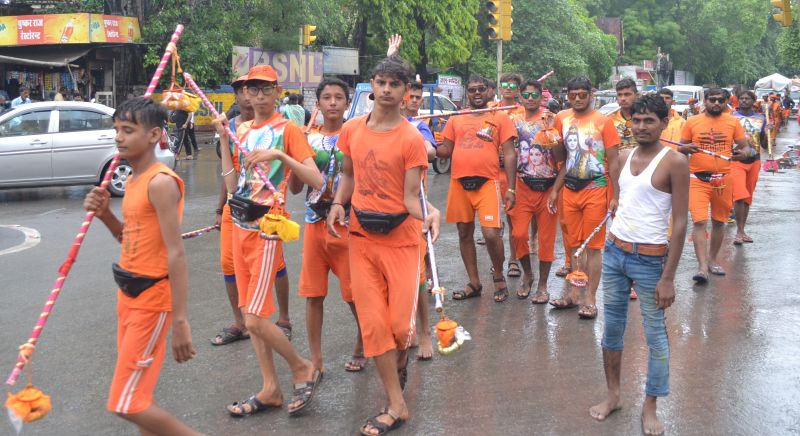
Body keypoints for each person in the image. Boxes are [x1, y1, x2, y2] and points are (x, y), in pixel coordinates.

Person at [326, 56, 440, 435]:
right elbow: (349, 175)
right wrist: (338, 204)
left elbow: (411, 198)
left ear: (406, 91)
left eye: (395, 84)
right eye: (381, 82)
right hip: (361, 239)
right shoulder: (352, 130)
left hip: (402, 241)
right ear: (371, 85)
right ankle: (396, 404)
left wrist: (431, 212)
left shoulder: (411, 139)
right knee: (374, 326)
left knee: (400, 329)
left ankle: (400, 363)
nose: (387, 90)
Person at [212, 64, 323, 417]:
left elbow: (316, 180)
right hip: (239, 226)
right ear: (245, 93)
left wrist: (280, 156)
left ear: (277, 92)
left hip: (266, 231)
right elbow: (233, 186)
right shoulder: (242, 130)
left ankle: (302, 367)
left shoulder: (287, 130)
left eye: (265, 88)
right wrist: (225, 140)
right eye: (252, 89)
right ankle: (270, 388)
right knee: (252, 316)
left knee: (254, 320)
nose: (258, 95)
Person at [83, 97, 198, 435]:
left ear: (154, 135)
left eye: (128, 130)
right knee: (138, 397)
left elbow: (176, 254)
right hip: (128, 297)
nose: (119, 137)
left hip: (152, 302)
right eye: (117, 129)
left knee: (126, 403)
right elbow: (131, 240)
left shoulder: (160, 183)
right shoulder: (133, 180)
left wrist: (180, 320)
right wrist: (104, 214)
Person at [589, 94, 689, 436]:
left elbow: (680, 223)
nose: (641, 126)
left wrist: (668, 277)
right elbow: (621, 199)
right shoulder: (622, 156)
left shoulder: (675, 162)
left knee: (655, 335)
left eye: (649, 121)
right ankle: (614, 395)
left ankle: (650, 405)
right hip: (614, 252)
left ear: (664, 123)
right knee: (612, 329)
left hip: (650, 259)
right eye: (636, 120)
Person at [289, 77, 365, 374]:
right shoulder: (306, 139)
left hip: (348, 223)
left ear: (347, 103)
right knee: (313, 294)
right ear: (317, 104)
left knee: (354, 294)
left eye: (338, 97)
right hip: (314, 223)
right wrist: (294, 158)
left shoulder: (357, 135)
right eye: (326, 98)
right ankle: (316, 359)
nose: (332, 103)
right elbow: (296, 188)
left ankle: (362, 344)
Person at [437, 74, 517, 303]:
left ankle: (498, 276)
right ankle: (474, 283)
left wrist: (511, 189)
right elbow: (445, 151)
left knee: (491, 234)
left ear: (489, 90)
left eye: (481, 89)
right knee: (464, 233)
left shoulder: (499, 117)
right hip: (459, 183)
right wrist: (424, 143)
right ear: (467, 93)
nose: (477, 93)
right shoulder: (456, 118)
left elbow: (510, 154)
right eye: (472, 90)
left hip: (488, 183)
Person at [548, 76, 621, 320]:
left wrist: (615, 195)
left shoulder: (604, 122)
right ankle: (573, 295)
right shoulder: (561, 118)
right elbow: (562, 158)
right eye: (572, 95)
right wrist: (555, 189)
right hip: (570, 188)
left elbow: (614, 162)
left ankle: (590, 298)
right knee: (573, 245)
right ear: (567, 96)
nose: (577, 99)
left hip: (596, 188)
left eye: (582, 94)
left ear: (591, 94)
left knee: (593, 247)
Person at [677, 88, 752, 283]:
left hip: (723, 180)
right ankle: (702, 267)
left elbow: (745, 146)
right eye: (712, 100)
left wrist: (743, 153)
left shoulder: (732, 122)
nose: (716, 103)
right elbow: (680, 148)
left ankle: (712, 260)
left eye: (720, 100)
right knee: (699, 222)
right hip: (697, 179)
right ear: (705, 101)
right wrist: (686, 148)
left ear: (726, 102)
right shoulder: (692, 121)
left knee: (719, 222)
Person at [508, 79, 562, 303]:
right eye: (526, 95)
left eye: (535, 95)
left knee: (546, 241)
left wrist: (550, 131)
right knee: (518, 235)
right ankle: (528, 274)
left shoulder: (551, 118)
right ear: (520, 97)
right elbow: (507, 152)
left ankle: (542, 285)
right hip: (523, 185)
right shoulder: (513, 119)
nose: (530, 99)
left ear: (541, 96)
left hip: (547, 187)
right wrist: (510, 188)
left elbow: (562, 157)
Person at [211, 75, 252, 346]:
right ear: (235, 96)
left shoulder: (271, 127)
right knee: (228, 264)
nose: (248, 96)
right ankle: (241, 322)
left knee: (272, 268)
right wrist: (220, 208)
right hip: (233, 205)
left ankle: (280, 320)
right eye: (242, 91)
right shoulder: (229, 127)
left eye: (253, 90)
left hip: (262, 207)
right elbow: (229, 174)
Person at [731, 91, 767, 246]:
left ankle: (742, 230)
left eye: (747, 98)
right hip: (736, 160)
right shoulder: (731, 117)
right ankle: (739, 232)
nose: (744, 101)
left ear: (753, 101)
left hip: (755, 161)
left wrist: (767, 133)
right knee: (739, 195)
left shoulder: (761, 118)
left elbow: (764, 145)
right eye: (742, 98)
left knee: (747, 198)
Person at [610, 78, 638, 152]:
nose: (623, 98)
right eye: (620, 95)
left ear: (636, 95)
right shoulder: (609, 120)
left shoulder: (645, 118)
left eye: (627, 94)